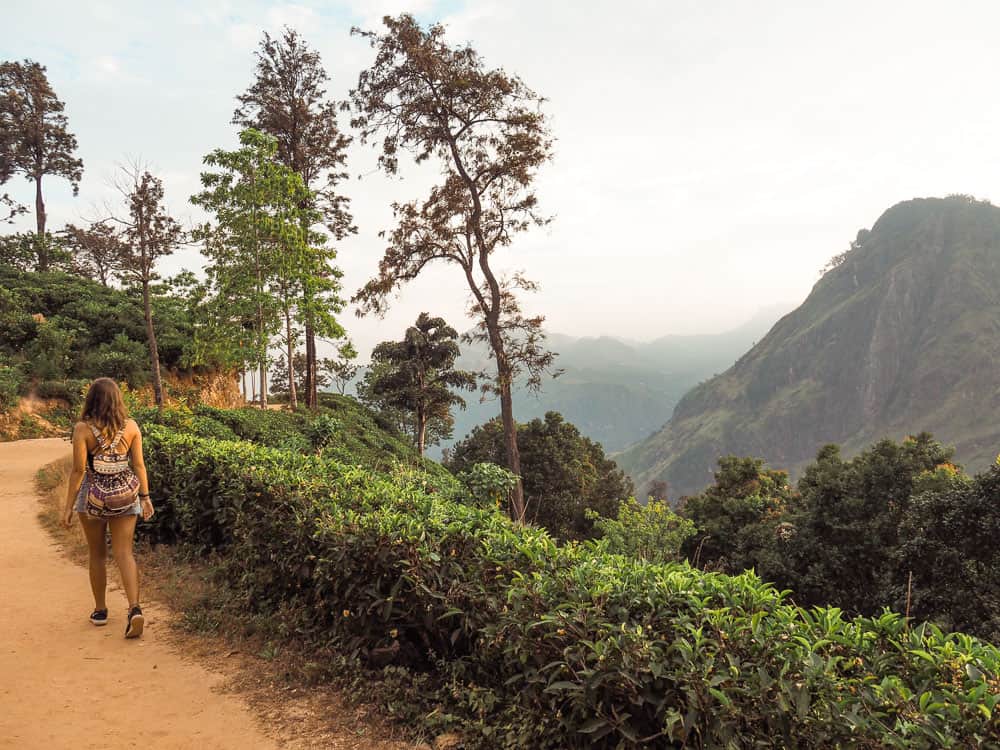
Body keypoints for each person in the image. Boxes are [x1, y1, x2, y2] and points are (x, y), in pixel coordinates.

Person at [62, 378, 155, 638]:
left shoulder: (82, 429)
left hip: (92, 498)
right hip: (125, 495)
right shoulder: (132, 427)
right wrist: (145, 497)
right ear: (117, 400)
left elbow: (79, 470)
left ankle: (101, 610)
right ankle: (134, 608)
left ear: (91, 399)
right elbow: (138, 466)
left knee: (97, 554)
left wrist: (68, 507)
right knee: (125, 553)